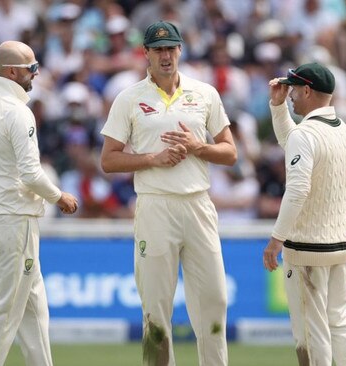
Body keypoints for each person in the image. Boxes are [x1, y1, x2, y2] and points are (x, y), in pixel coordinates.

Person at [99, 21, 236, 366]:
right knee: (156, 309)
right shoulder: (129, 98)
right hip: (155, 206)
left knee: (214, 302)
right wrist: (153, 159)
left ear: (180, 51)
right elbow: (108, 160)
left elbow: (230, 153)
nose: (166, 55)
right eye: (158, 49)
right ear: (145, 53)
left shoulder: (204, 93)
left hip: (198, 204)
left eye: (171, 48)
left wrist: (197, 147)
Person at [0, 40, 78, 366]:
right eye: (31, 68)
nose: (35, 74)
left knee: (32, 309)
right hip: (13, 221)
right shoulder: (18, 111)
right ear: (11, 71)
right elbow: (31, 175)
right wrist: (60, 197)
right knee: (6, 309)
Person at [263, 62, 346, 366]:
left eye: (294, 89)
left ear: (307, 90)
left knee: (310, 332)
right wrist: (278, 106)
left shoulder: (307, 134)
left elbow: (297, 190)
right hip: (337, 243)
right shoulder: (343, 130)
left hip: (308, 247)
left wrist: (276, 239)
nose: (291, 95)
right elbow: (292, 144)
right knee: (338, 321)